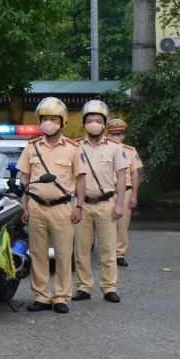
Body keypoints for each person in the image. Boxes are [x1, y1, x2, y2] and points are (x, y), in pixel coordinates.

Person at [16, 97, 81, 314]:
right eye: (45, 119)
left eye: (54, 119)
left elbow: (80, 180)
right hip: (36, 206)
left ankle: (62, 296)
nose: (49, 123)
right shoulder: (32, 147)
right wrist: (23, 205)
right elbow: (24, 179)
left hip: (63, 208)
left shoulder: (73, 148)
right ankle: (42, 296)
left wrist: (79, 206)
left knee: (63, 255)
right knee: (38, 254)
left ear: (62, 122)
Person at [72, 100, 128, 303]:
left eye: (98, 120)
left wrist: (120, 204)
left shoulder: (114, 147)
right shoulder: (75, 146)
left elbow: (121, 177)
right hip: (82, 205)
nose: (94, 123)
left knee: (108, 249)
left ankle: (109, 287)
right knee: (81, 250)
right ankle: (84, 287)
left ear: (104, 123)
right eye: (90, 120)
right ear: (84, 123)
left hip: (107, 204)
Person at [106, 118, 140, 267]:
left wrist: (134, 195)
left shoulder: (130, 151)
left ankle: (119, 254)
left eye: (119, 134)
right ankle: (106, 253)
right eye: (113, 133)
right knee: (104, 223)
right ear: (108, 134)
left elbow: (135, 174)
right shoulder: (101, 149)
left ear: (124, 135)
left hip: (124, 191)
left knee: (122, 225)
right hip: (105, 191)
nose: (116, 137)